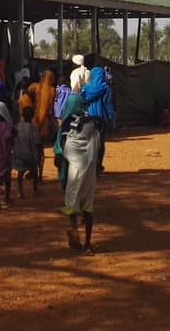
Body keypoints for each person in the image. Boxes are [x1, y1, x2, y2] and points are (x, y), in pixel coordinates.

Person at [54, 91, 100, 254]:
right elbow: (98, 146)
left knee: (72, 200)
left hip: (73, 171)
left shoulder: (68, 124)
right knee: (88, 207)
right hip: (89, 173)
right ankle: (87, 243)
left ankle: (74, 230)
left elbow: (63, 148)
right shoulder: (92, 123)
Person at [13, 105, 42, 199]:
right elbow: (38, 143)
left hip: (19, 155)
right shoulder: (34, 129)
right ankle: (35, 188)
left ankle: (20, 192)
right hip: (31, 155)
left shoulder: (17, 126)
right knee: (35, 171)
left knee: (20, 173)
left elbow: (13, 139)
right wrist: (40, 154)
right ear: (32, 116)